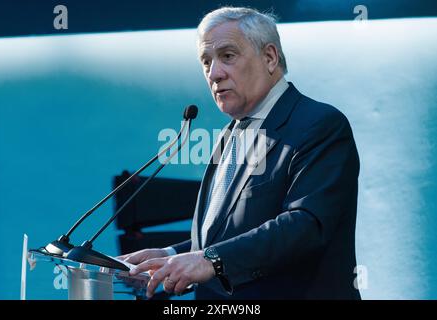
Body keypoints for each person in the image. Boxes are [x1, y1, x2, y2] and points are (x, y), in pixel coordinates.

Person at [118, 7, 361, 300]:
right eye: (206, 61)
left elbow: (305, 225)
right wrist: (168, 256)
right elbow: (225, 238)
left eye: (227, 56)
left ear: (270, 57)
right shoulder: (229, 135)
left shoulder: (319, 124)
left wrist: (211, 260)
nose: (214, 73)